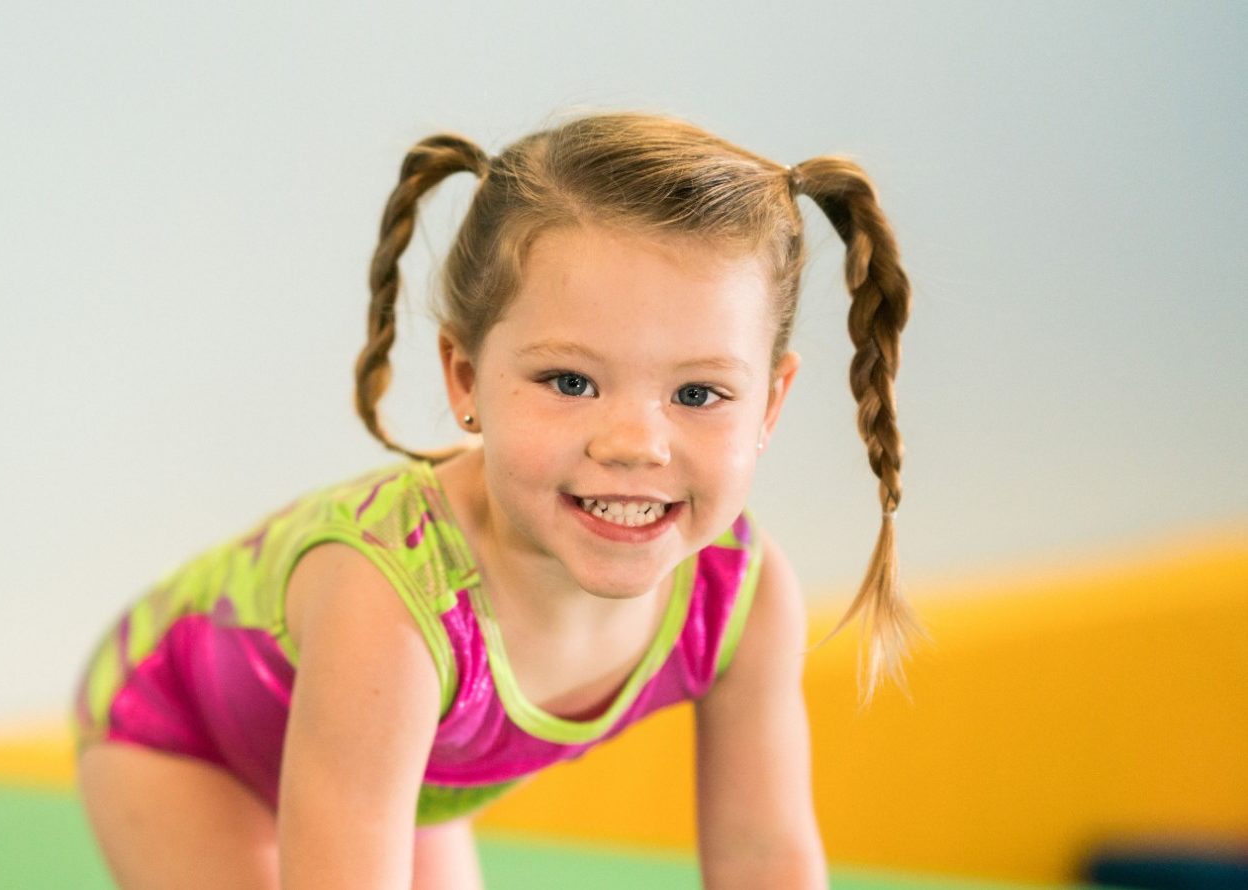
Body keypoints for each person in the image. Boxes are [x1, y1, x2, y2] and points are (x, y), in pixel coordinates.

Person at [68, 109, 930, 889]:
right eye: (570, 381)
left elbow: (762, 855)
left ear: (770, 404)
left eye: (699, 393)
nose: (635, 443)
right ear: (464, 377)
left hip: (396, 766)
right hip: (180, 738)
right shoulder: (393, 608)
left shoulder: (738, 594)